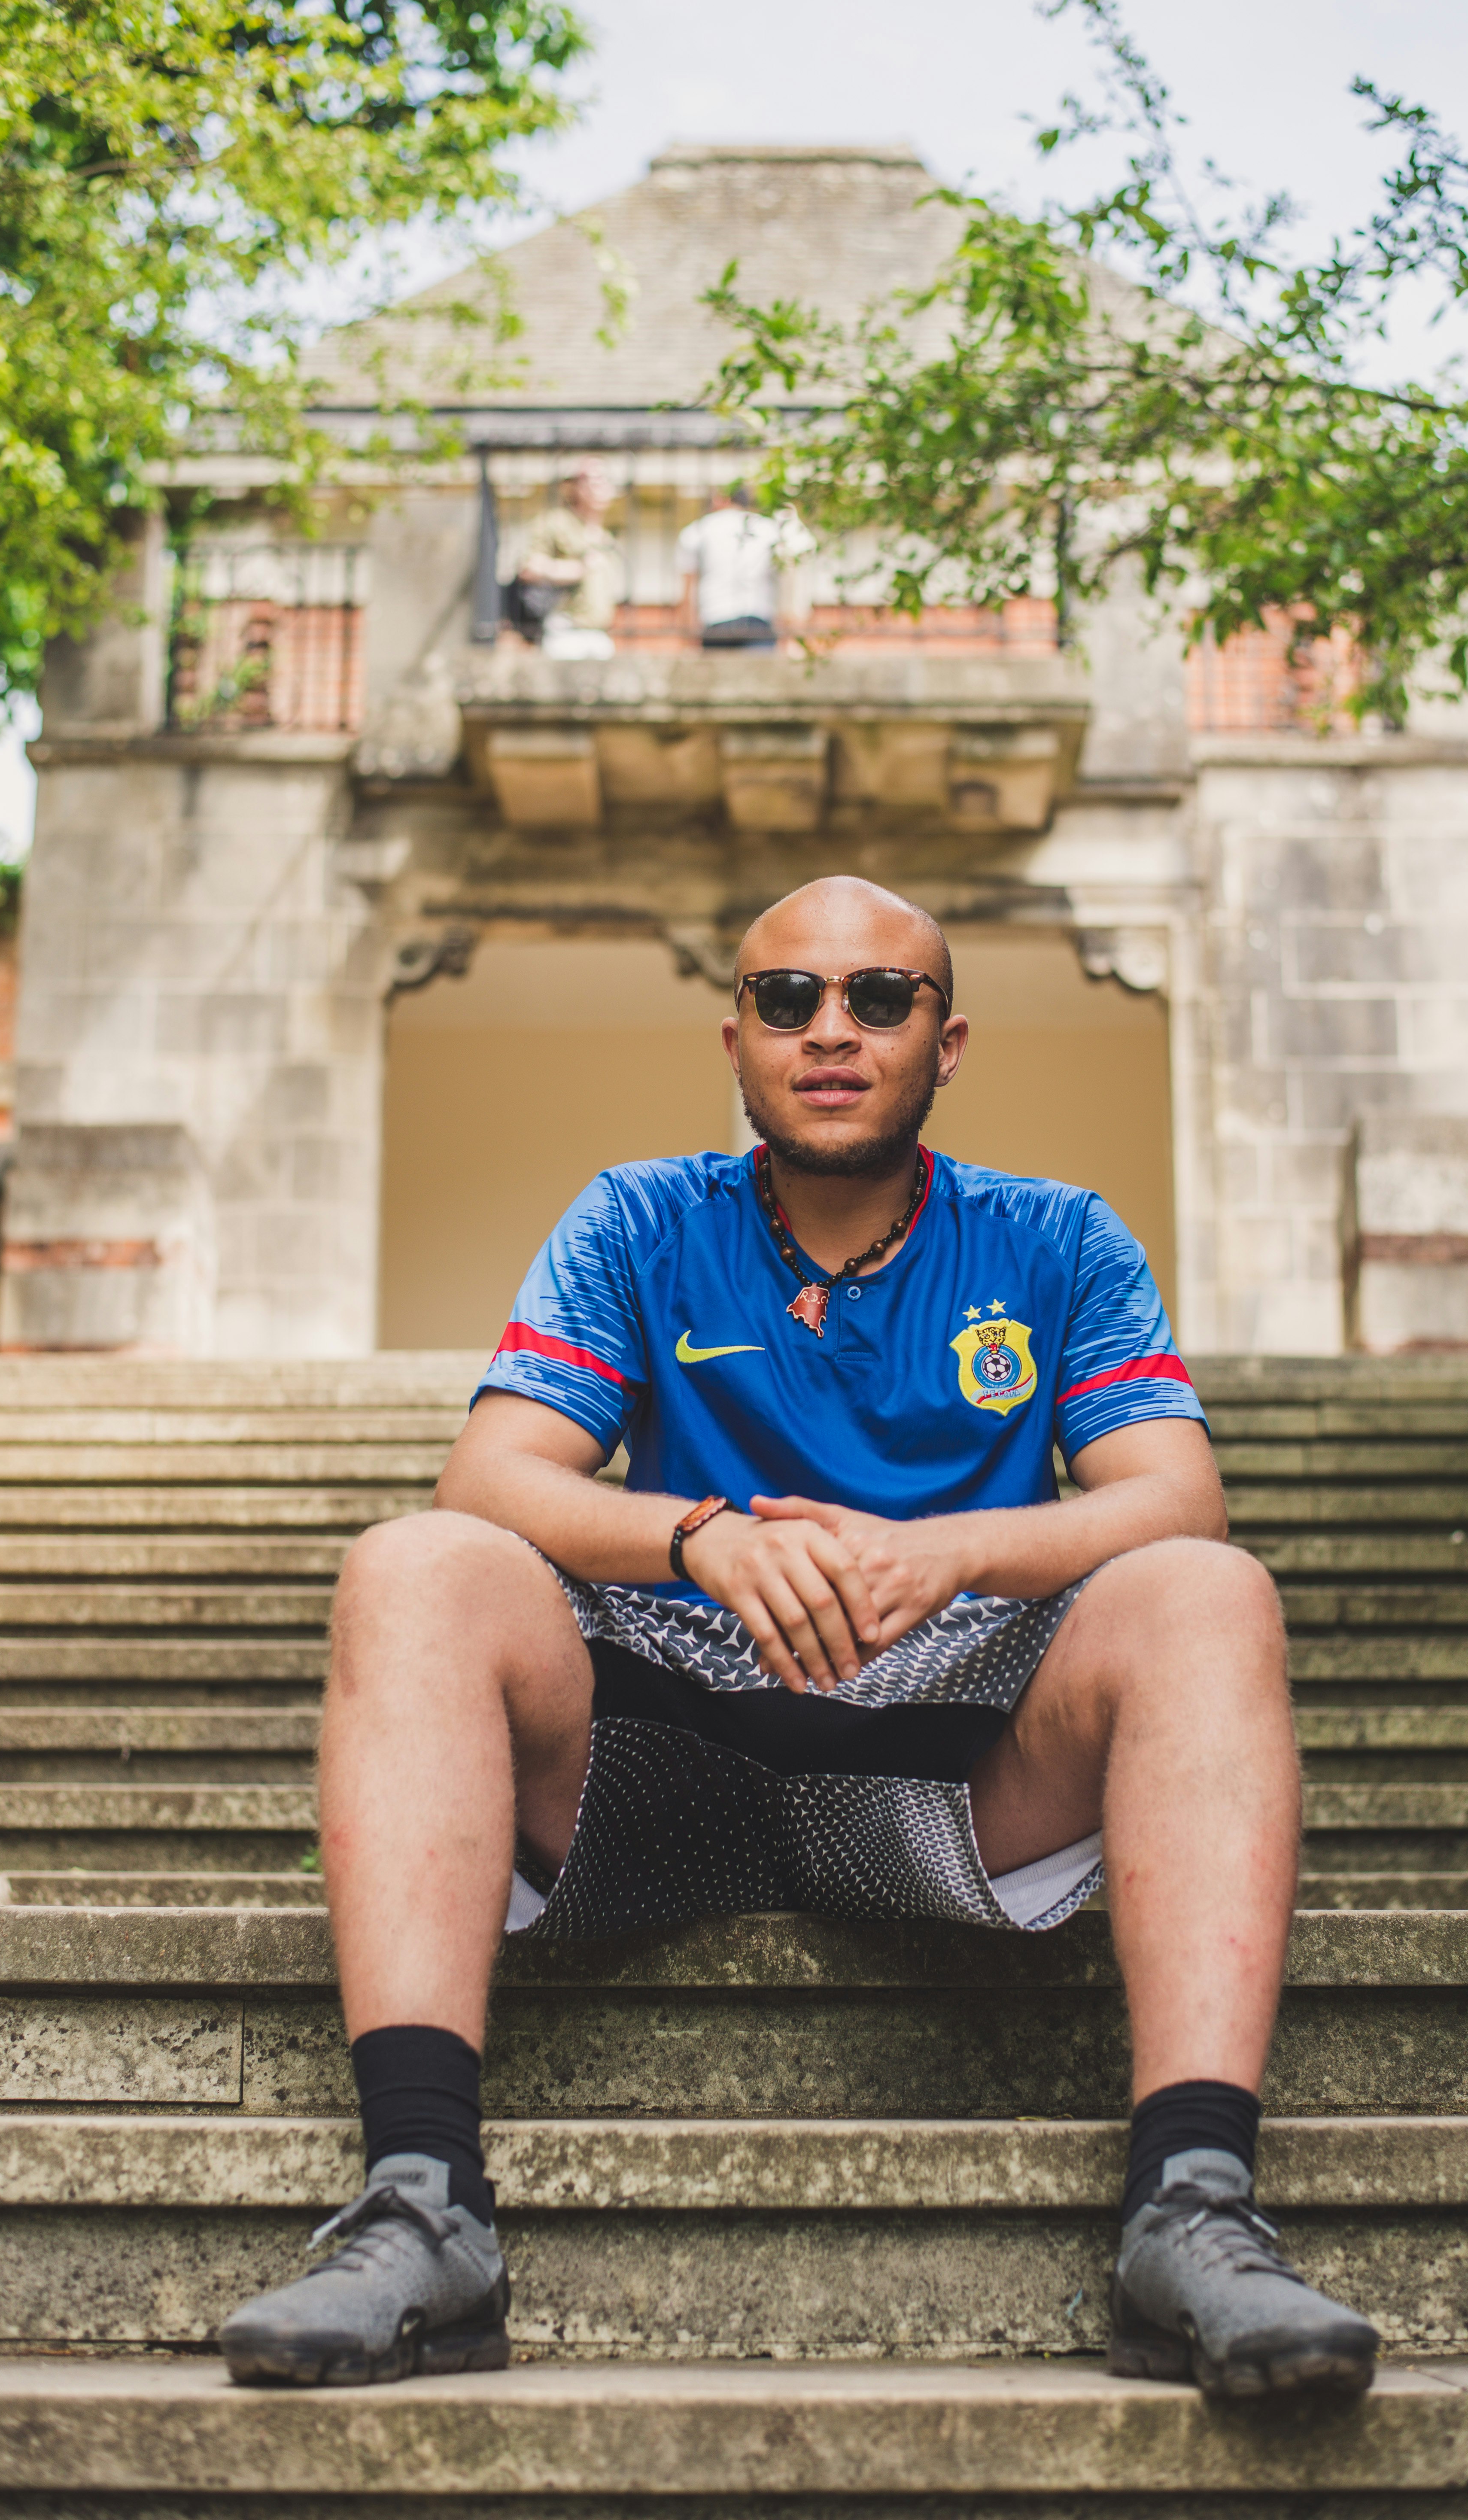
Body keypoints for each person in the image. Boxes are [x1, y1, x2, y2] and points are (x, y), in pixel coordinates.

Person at [218, 874, 1380, 2404]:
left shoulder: (1056, 1238)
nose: (831, 1031)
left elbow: (1179, 1497)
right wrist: (702, 1533)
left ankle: (1195, 2210)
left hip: (945, 1773)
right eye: (788, 999)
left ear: (946, 1042)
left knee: (1212, 1592)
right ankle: (423, 2206)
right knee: (415, 1565)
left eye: (879, 999)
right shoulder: (639, 1216)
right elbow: (490, 1474)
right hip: (660, 1755)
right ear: (737, 1036)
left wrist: (953, 1552)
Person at [499, 462, 624, 657]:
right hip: (566, 630)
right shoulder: (556, 523)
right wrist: (576, 570)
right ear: (574, 487)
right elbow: (529, 568)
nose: (601, 486)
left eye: (606, 480)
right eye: (593, 480)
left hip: (600, 634)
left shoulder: (605, 538)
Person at [676, 482, 813, 648]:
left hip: (715, 620)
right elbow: (790, 567)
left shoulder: (698, 529)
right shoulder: (768, 527)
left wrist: (686, 635)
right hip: (759, 620)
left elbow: (689, 589)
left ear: (721, 499)